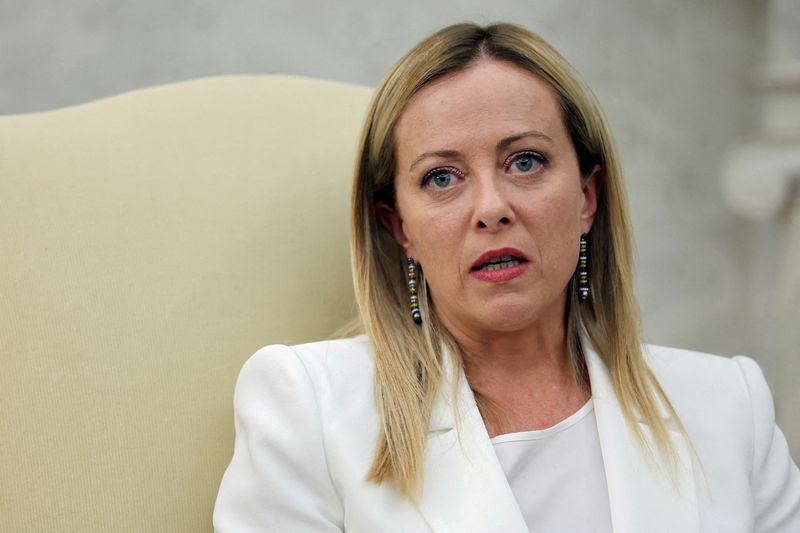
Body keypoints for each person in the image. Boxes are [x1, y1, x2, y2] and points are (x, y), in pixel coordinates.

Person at [213, 22, 800, 532]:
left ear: (588, 198)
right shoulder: (309, 409)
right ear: (399, 228)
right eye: (442, 177)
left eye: (525, 161)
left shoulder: (727, 405)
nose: (491, 207)